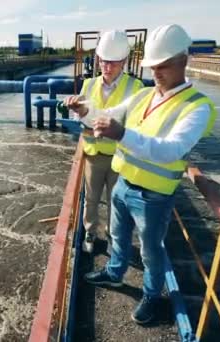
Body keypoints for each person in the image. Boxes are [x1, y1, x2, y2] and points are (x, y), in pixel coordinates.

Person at [69, 24, 218, 324]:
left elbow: (171, 150)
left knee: (151, 251)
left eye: (164, 65)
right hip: (123, 183)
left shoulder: (198, 107)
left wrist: (122, 134)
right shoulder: (143, 95)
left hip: (154, 195)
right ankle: (114, 272)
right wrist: (84, 111)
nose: (157, 72)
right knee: (118, 236)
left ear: (183, 60)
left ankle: (151, 295)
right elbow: (106, 116)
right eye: (153, 66)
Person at [64, 30, 144, 254]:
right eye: (104, 61)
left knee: (116, 203)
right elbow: (77, 118)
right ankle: (90, 231)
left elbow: (135, 125)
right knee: (91, 198)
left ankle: (112, 235)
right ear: (98, 59)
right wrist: (78, 113)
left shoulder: (136, 88)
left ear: (124, 61)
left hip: (121, 156)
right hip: (93, 154)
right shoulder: (88, 84)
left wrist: (99, 123)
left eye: (114, 63)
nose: (107, 68)